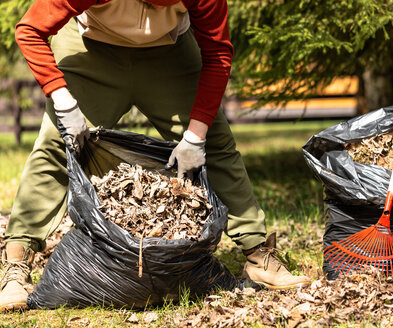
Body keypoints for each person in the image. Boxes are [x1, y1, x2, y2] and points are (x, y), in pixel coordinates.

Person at [0, 0, 310, 311]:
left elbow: (217, 53)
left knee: (215, 146)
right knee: (57, 145)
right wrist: (63, 99)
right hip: (89, 47)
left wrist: (196, 135)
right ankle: (16, 266)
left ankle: (258, 255)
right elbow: (29, 30)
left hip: (170, 53)